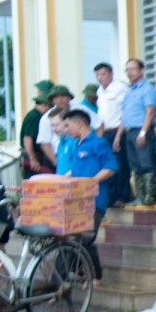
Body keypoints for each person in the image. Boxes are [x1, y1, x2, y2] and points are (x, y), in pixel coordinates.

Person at [63, 110, 118, 287]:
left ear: (79, 123)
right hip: (77, 202)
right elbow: (77, 171)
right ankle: (80, 274)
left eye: (67, 125)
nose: (66, 130)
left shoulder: (98, 143)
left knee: (85, 238)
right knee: (74, 239)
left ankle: (96, 276)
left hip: (94, 201)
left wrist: (91, 182)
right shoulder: (76, 145)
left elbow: (110, 167)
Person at [115, 59, 156, 207]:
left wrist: (143, 133)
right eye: (127, 70)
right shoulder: (129, 90)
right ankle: (140, 196)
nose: (129, 72)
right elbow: (125, 115)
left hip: (141, 130)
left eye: (133, 69)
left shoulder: (147, 89)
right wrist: (118, 136)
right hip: (128, 131)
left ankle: (150, 197)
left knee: (146, 163)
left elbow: (150, 112)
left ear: (141, 70)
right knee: (136, 165)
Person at [37, 86, 98, 169]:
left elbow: (99, 125)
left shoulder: (80, 109)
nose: (61, 99)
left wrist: (96, 143)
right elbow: (44, 143)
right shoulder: (46, 117)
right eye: (57, 97)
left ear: (69, 97)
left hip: (83, 152)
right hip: (59, 154)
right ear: (52, 99)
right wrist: (56, 162)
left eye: (63, 96)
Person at [95, 62, 129, 206]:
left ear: (111, 74)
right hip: (105, 133)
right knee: (108, 166)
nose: (100, 78)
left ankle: (122, 197)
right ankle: (111, 196)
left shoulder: (120, 88)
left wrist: (119, 135)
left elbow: (125, 113)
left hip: (117, 131)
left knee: (120, 165)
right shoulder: (99, 92)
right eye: (97, 75)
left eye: (103, 74)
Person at [21, 93, 51, 177]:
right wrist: (33, 159)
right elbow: (27, 138)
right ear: (45, 105)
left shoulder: (34, 115)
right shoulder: (35, 116)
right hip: (33, 155)